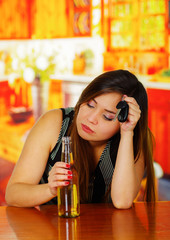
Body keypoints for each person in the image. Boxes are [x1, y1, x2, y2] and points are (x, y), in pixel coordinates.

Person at [5, 70, 156, 209]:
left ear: (125, 119)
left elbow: (122, 201)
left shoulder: (135, 137)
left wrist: (127, 133)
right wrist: (50, 189)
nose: (90, 119)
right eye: (90, 105)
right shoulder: (54, 123)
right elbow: (13, 194)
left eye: (107, 116)